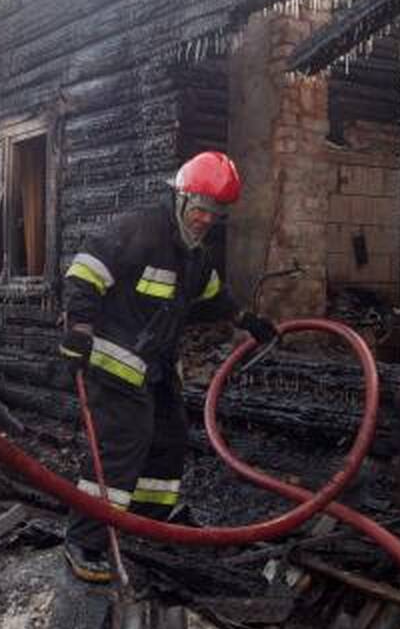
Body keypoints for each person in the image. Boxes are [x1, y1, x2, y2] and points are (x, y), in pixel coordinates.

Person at [58, 151, 277, 583]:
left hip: (153, 367)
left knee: (169, 437)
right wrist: (79, 328)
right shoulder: (140, 231)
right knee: (123, 444)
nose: (204, 220)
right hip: (110, 361)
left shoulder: (194, 256)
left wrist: (248, 322)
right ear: (180, 198)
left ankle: (147, 521)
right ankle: (84, 540)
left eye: (214, 215)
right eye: (199, 210)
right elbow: (84, 273)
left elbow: (214, 296)